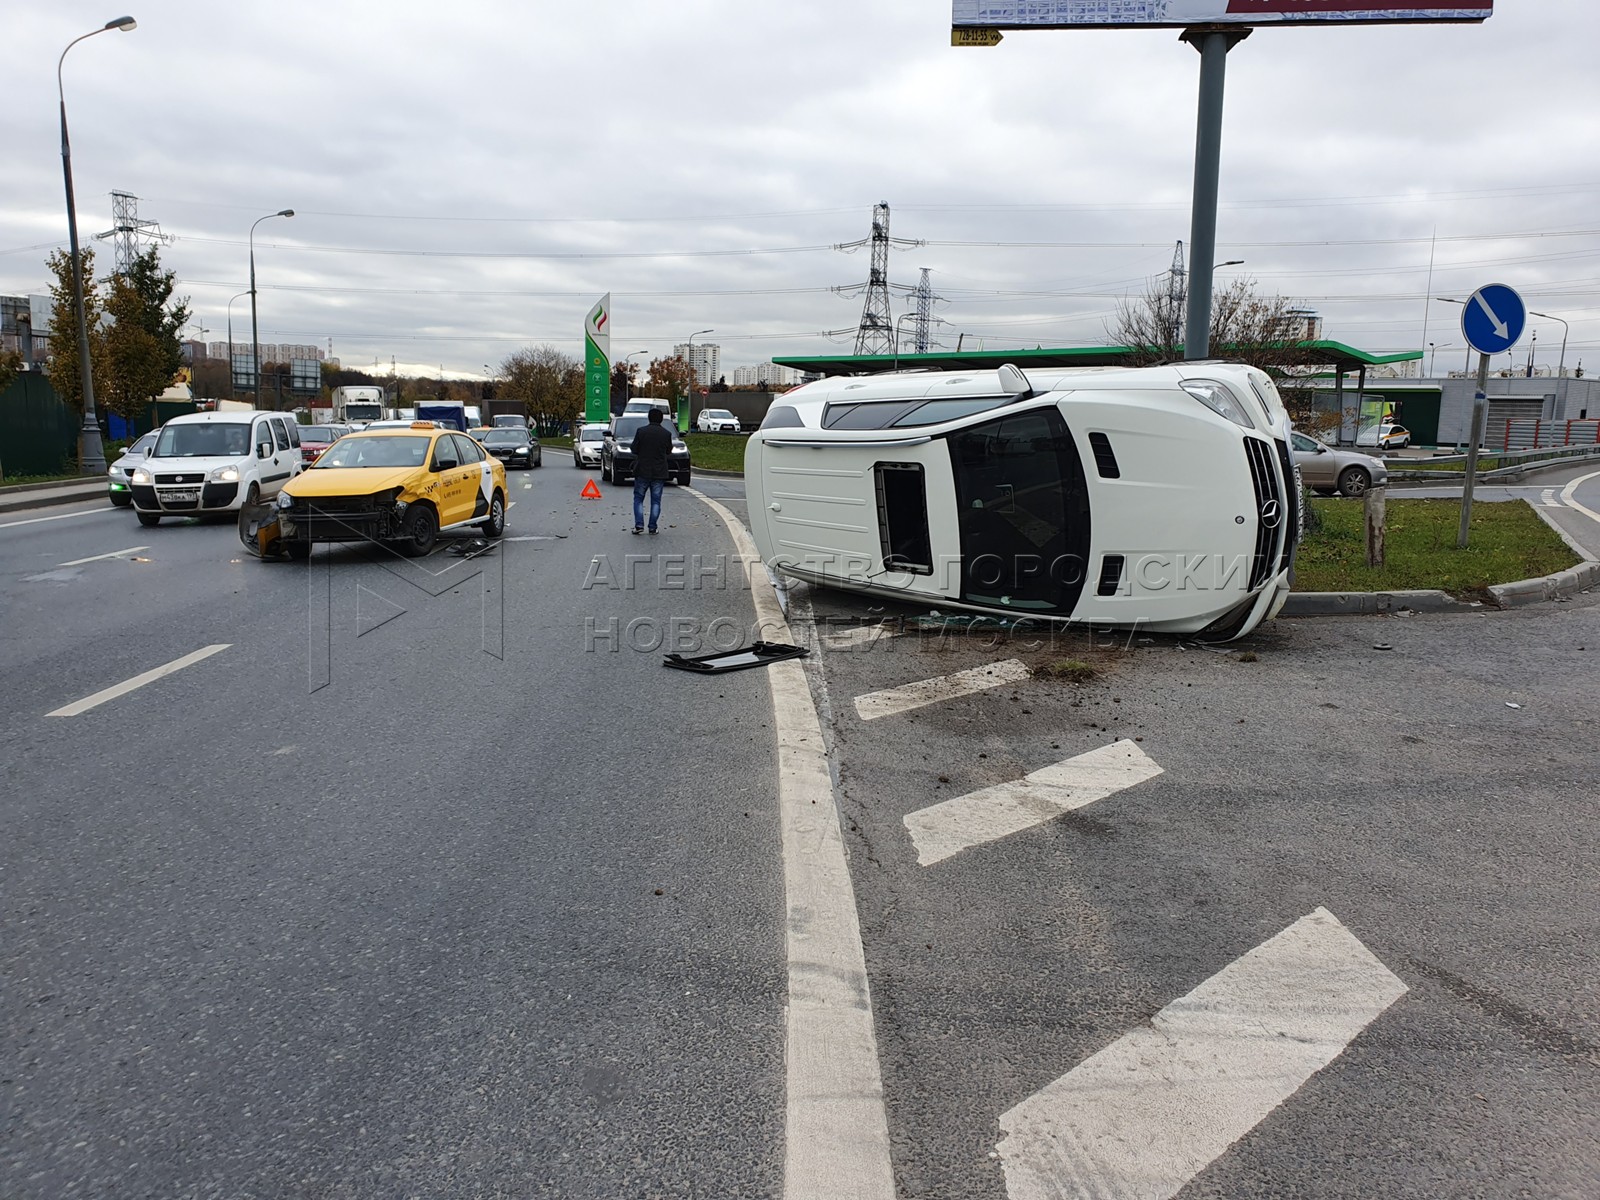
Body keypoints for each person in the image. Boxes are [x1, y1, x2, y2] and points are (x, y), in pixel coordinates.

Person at [630, 407, 674, 534]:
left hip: (642, 470)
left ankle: (639, 525)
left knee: (638, 498)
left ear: (649, 418)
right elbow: (668, 451)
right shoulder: (666, 434)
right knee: (656, 500)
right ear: (661, 419)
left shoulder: (641, 431)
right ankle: (652, 527)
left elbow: (634, 449)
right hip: (659, 472)